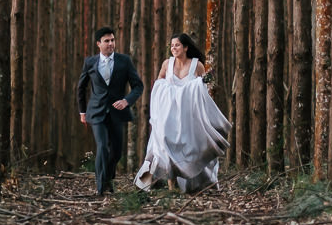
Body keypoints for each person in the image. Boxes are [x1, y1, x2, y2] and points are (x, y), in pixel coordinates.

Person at [134, 33, 230, 193]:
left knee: (192, 147)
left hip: (189, 117)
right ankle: (168, 183)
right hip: (169, 116)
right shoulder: (167, 64)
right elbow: (159, 83)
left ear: (186, 47)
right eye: (172, 46)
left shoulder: (196, 65)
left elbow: (207, 83)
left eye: (177, 45)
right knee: (162, 145)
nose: (173, 48)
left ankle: (195, 184)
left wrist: (203, 82)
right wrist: (167, 90)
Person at [77, 26, 144, 196]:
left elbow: (138, 86)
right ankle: (101, 188)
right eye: (106, 41)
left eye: (112, 40)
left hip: (117, 112)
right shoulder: (90, 62)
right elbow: (81, 87)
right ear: (98, 44)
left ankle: (108, 179)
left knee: (116, 151)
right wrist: (82, 112)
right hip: (96, 112)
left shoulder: (124, 61)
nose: (111, 44)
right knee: (102, 147)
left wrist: (126, 101)